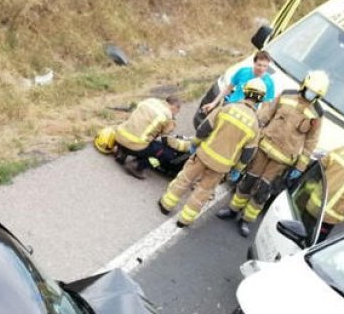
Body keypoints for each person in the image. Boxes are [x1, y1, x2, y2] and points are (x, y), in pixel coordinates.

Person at [217, 70, 329, 237]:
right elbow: (265, 115)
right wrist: (254, 134)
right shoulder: (286, 95)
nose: (310, 95)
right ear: (304, 85)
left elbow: (310, 142)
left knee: (263, 190)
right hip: (264, 147)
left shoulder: (317, 114)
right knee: (248, 180)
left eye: (314, 94)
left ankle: (246, 220)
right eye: (309, 90)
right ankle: (233, 210)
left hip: (283, 159)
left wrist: (300, 166)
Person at [159, 79, 264, 228]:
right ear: (260, 99)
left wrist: (194, 144)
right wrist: (237, 170)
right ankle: (184, 220)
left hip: (203, 155)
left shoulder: (227, 108)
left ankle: (166, 205)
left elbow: (204, 128)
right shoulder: (255, 125)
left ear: (245, 91)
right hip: (221, 166)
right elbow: (248, 154)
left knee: (184, 179)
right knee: (203, 192)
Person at [113, 95, 190, 179]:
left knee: (141, 134)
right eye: (178, 111)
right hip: (135, 146)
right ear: (175, 107)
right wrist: (187, 146)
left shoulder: (150, 101)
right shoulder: (167, 116)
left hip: (119, 136)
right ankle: (137, 166)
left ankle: (121, 152)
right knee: (166, 154)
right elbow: (166, 139)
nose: (176, 114)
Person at [201, 51, 276, 115]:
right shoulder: (243, 71)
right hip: (231, 106)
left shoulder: (269, 83)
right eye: (259, 65)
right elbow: (228, 89)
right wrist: (213, 103)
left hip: (248, 113)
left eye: (265, 66)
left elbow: (266, 106)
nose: (261, 69)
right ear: (254, 63)